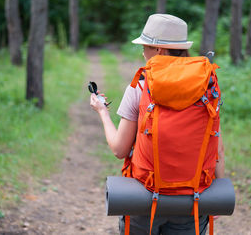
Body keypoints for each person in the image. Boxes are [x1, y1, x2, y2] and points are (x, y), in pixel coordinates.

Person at [90, 14, 225, 235]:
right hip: (192, 199)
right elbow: (217, 146)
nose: (143, 52)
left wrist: (102, 112)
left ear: (159, 50)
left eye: (145, 46)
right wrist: (216, 195)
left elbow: (119, 149)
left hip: (144, 197)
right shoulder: (206, 86)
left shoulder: (139, 88)